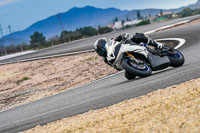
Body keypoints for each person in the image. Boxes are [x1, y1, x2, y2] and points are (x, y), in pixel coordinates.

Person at [94, 32, 163, 68]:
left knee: (136, 37)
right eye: (99, 52)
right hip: (127, 61)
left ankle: (157, 45)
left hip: (129, 45)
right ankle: (140, 66)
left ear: (104, 45)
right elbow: (117, 68)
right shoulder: (107, 59)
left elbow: (120, 36)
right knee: (128, 76)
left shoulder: (111, 42)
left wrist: (122, 35)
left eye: (101, 50)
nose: (101, 52)